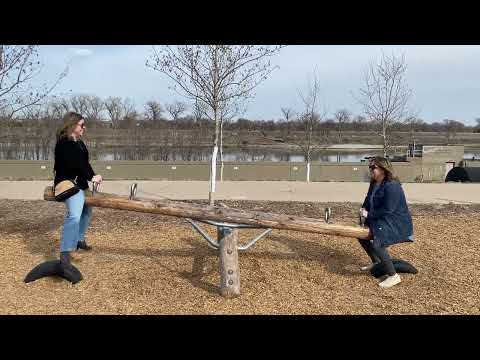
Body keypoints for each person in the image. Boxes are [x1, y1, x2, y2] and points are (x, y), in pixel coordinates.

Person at [54, 112, 103, 270]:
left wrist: (93, 176)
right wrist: (90, 176)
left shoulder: (80, 143)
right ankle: (65, 252)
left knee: (87, 211)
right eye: (82, 125)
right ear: (72, 125)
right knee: (74, 215)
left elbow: (84, 164)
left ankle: (79, 239)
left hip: (80, 183)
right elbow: (75, 164)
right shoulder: (64, 143)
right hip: (67, 183)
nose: (84, 127)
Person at [358, 156, 413, 289]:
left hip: (395, 222)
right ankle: (377, 262)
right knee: (361, 235)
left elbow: (388, 209)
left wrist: (369, 214)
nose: (371, 170)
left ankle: (393, 276)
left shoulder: (392, 186)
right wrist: (363, 208)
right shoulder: (374, 182)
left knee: (378, 244)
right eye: (369, 167)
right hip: (380, 219)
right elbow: (368, 199)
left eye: (373, 167)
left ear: (383, 169)